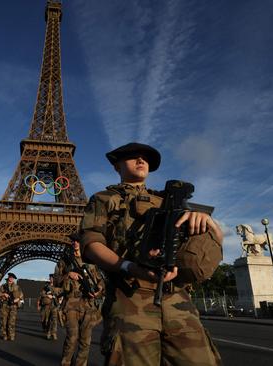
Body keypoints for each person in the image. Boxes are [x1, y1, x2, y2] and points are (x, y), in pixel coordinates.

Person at [80, 142, 224, 365]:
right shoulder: (104, 199)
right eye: (133, 156)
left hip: (177, 297)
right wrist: (129, 267)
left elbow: (200, 245)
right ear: (116, 165)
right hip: (130, 298)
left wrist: (207, 225)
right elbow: (90, 243)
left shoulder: (171, 202)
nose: (141, 160)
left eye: (145, 158)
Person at [54, 233, 104, 366]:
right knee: (72, 338)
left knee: (85, 341)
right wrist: (68, 274)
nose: (75, 243)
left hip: (88, 305)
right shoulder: (64, 261)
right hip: (71, 304)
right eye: (73, 241)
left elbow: (101, 281)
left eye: (78, 240)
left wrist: (98, 290)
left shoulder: (92, 261)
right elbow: (56, 281)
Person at [0, 272, 24, 340]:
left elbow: (21, 295)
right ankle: (4, 334)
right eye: (10, 277)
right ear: (8, 278)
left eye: (12, 278)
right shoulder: (3, 286)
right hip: (5, 305)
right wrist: (4, 294)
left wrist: (17, 299)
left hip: (13, 305)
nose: (11, 279)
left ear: (14, 279)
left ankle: (11, 335)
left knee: (11, 321)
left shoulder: (17, 287)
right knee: (4, 321)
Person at [37, 273, 59, 340]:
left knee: (54, 320)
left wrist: (56, 297)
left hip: (54, 305)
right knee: (47, 320)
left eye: (52, 278)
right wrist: (47, 295)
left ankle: (54, 333)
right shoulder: (46, 287)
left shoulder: (57, 287)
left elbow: (61, 293)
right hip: (46, 306)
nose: (51, 279)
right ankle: (48, 332)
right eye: (50, 278)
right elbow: (41, 294)